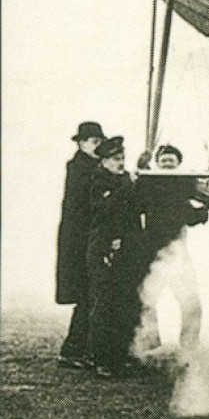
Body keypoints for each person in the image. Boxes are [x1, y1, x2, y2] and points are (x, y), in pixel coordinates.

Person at [130, 144, 209, 356]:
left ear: (178, 164)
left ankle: (189, 347)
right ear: (158, 163)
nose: (166, 163)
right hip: (153, 251)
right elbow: (134, 202)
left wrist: (206, 203)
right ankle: (149, 345)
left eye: (171, 161)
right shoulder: (149, 182)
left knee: (191, 302)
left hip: (177, 253)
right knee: (147, 301)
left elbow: (194, 216)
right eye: (163, 160)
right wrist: (140, 171)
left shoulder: (184, 184)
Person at [82, 136, 145, 378]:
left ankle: (119, 355)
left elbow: (137, 206)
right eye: (116, 159)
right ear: (104, 161)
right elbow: (109, 208)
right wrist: (132, 184)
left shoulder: (124, 180)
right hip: (104, 248)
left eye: (123, 158)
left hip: (126, 247)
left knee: (125, 303)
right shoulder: (98, 181)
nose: (121, 163)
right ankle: (101, 359)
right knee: (104, 304)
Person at [55, 121, 106, 368]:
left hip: (83, 239)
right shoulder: (80, 168)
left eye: (99, 142)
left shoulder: (87, 166)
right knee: (88, 293)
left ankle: (78, 348)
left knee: (89, 294)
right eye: (94, 142)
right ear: (81, 143)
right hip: (81, 241)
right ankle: (74, 349)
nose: (97, 146)